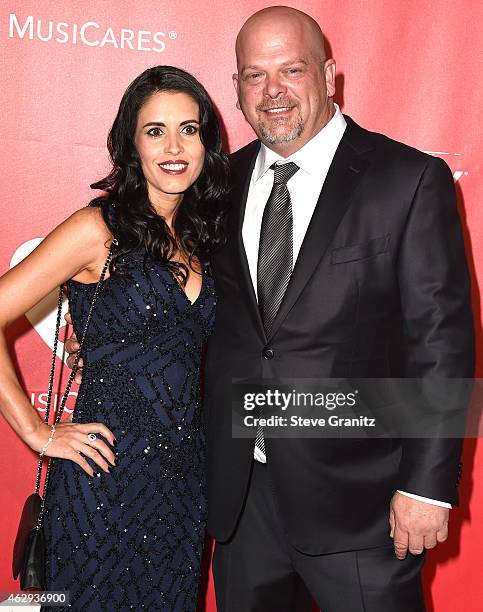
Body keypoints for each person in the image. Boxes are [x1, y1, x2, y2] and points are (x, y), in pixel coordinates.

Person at [66, 6, 474, 612]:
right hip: (239, 499)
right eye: (254, 75)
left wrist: (428, 486)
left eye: (291, 70)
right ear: (235, 89)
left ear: (330, 74)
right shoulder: (217, 185)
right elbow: (199, 310)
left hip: (361, 504)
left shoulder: (407, 180)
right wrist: (104, 338)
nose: (272, 91)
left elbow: (443, 343)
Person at [0, 65, 229, 611]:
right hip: (100, 478)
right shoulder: (96, 229)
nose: (174, 146)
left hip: (182, 484)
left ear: (206, 141)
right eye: (155, 131)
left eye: (189, 129)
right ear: (132, 143)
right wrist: (35, 430)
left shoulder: (203, 237)